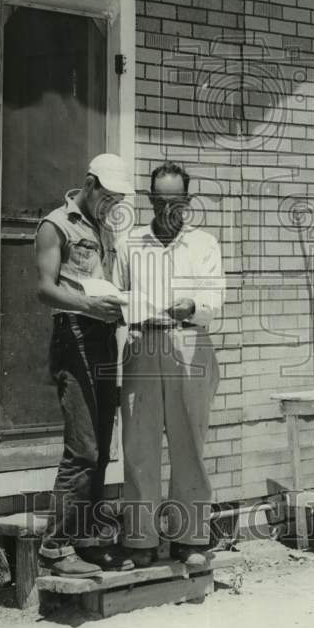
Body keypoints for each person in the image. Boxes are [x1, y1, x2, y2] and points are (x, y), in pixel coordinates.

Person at [114, 161, 224, 569]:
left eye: (175, 202)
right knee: (139, 445)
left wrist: (192, 305)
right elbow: (118, 299)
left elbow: (213, 302)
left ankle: (190, 537)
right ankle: (140, 540)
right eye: (159, 201)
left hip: (190, 342)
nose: (167, 210)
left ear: (188, 201)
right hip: (143, 345)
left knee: (188, 444)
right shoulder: (130, 243)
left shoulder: (205, 244)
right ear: (149, 200)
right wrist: (130, 315)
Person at [35, 153, 135, 577]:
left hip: (104, 341)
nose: (111, 204)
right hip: (73, 334)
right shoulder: (55, 225)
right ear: (90, 184)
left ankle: (88, 540)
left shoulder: (107, 231)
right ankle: (55, 546)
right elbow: (45, 289)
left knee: (102, 448)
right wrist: (91, 305)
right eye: (107, 196)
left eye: (117, 199)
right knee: (83, 449)